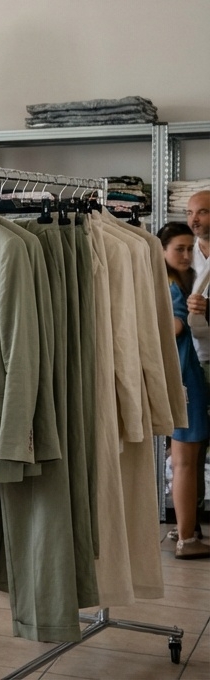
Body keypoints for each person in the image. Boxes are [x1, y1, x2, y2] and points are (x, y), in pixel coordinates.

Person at [159, 222, 210, 559]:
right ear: (161, 250)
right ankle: (186, 541)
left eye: (190, 248)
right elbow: (175, 326)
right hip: (184, 380)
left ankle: (186, 528)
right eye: (179, 248)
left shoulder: (178, 281)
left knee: (187, 458)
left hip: (183, 377)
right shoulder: (172, 287)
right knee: (185, 462)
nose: (186, 254)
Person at [185, 191, 210, 539]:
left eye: (202, 212)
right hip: (193, 360)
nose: (194, 219)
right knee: (193, 447)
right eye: (190, 212)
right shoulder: (183, 253)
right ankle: (192, 524)